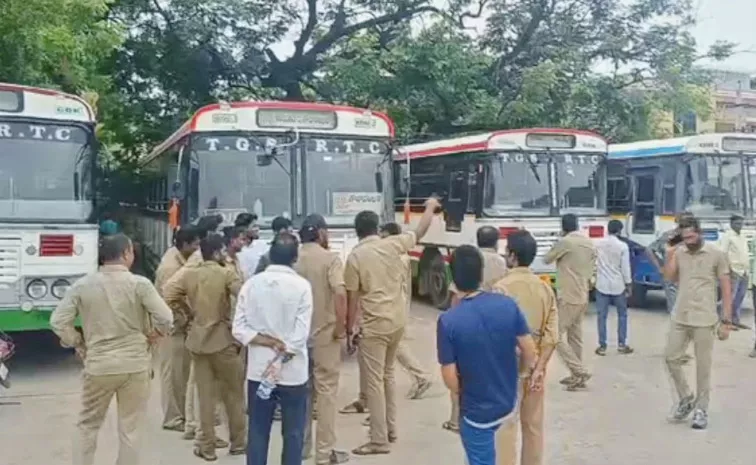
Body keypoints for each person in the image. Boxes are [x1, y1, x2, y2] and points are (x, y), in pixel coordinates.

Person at [50, 234, 173, 465]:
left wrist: (77, 342)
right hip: (135, 365)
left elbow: (57, 321)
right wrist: (156, 335)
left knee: (87, 425)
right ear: (126, 253)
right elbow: (166, 318)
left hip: (99, 365)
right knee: (131, 428)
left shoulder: (83, 285)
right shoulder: (140, 284)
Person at [343, 197, 438, 455]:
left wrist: (349, 330)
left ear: (357, 231)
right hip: (397, 321)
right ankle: (391, 429)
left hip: (374, 325)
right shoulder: (394, 244)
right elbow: (420, 231)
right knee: (387, 376)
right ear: (376, 229)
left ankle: (378, 439)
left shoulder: (355, 257)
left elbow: (352, 299)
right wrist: (429, 208)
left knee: (374, 382)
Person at [437, 245, 538, 465]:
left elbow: (449, 376)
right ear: (481, 274)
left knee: (480, 457)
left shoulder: (449, 321)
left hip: (476, 411)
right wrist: (520, 374)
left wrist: (464, 393)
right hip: (506, 401)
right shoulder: (508, 305)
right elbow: (529, 351)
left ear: (452, 278)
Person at [163, 233, 246, 460]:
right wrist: (236, 326)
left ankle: (206, 446)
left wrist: (186, 314)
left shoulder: (190, 275)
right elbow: (245, 296)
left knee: (205, 397)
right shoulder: (226, 273)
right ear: (219, 252)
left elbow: (168, 293)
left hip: (198, 342)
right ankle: (238, 442)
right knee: (233, 394)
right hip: (223, 340)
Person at [232, 232, 313, 465]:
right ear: (294, 258)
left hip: (260, 373)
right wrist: (282, 355)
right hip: (293, 375)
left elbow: (238, 329)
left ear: (269, 255)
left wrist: (268, 342)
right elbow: (300, 335)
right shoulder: (302, 287)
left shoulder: (251, 285)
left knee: (258, 431)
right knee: (293, 433)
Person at [492, 230, 558, 465]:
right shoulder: (545, 289)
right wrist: (540, 367)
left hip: (507, 369)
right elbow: (552, 335)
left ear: (511, 255)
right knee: (533, 426)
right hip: (536, 368)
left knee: (505, 426)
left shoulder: (501, 288)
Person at [663, 215, 732, 430]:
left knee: (703, 367)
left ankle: (701, 409)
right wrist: (671, 252)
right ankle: (686, 398)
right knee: (671, 358)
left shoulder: (716, 254)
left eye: (692, 236)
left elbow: (727, 288)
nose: (689, 241)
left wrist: (727, 320)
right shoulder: (680, 252)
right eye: (685, 238)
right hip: (681, 316)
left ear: (699, 233)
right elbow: (669, 277)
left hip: (705, 318)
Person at [294, 214, 351, 465]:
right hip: (325, 336)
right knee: (326, 394)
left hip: (296, 339)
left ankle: (301, 448)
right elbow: (340, 293)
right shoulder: (330, 259)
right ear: (321, 233)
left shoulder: (292, 258)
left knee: (301, 394)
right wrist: (342, 328)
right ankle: (324, 453)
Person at [444, 225, 510, 432]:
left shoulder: (469, 259)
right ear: (496, 242)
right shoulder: (501, 262)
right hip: (492, 321)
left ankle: (456, 419)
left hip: (467, 322)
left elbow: (455, 297)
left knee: (461, 373)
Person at [154, 226, 201, 432]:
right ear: (184, 245)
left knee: (181, 374)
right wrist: (186, 316)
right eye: (195, 244)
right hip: (172, 327)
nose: (198, 248)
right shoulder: (170, 268)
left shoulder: (182, 259)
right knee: (173, 374)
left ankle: (182, 415)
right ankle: (173, 418)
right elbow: (170, 299)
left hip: (180, 326)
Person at [543, 214, 596, 391]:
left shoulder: (565, 242)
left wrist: (559, 239)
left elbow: (547, 259)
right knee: (575, 336)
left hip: (568, 295)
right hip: (583, 293)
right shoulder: (588, 242)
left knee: (554, 335)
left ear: (563, 226)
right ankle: (577, 377)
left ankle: (579, 370)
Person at [594, 219, 634, 356]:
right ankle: (622, 344)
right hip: (618, 285)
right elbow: (625, 268)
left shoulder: (598, 244)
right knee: (622, 315)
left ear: (608, 229)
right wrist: (628, 284)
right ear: (619, 231)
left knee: (601, 316)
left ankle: (602, 346)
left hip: (601, 284)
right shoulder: (623, 246)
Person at [719, 214, 750, 330]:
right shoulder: (727, 236)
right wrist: (728, 269)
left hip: (744, 271)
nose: (739, 226)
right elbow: (722, 253)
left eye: (741, 223)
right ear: (731, 224)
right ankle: (725, 321)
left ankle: (735, 320)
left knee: (740, 297)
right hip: (734, 271)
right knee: (729, 297)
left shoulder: (742, 235)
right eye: (737, 223)